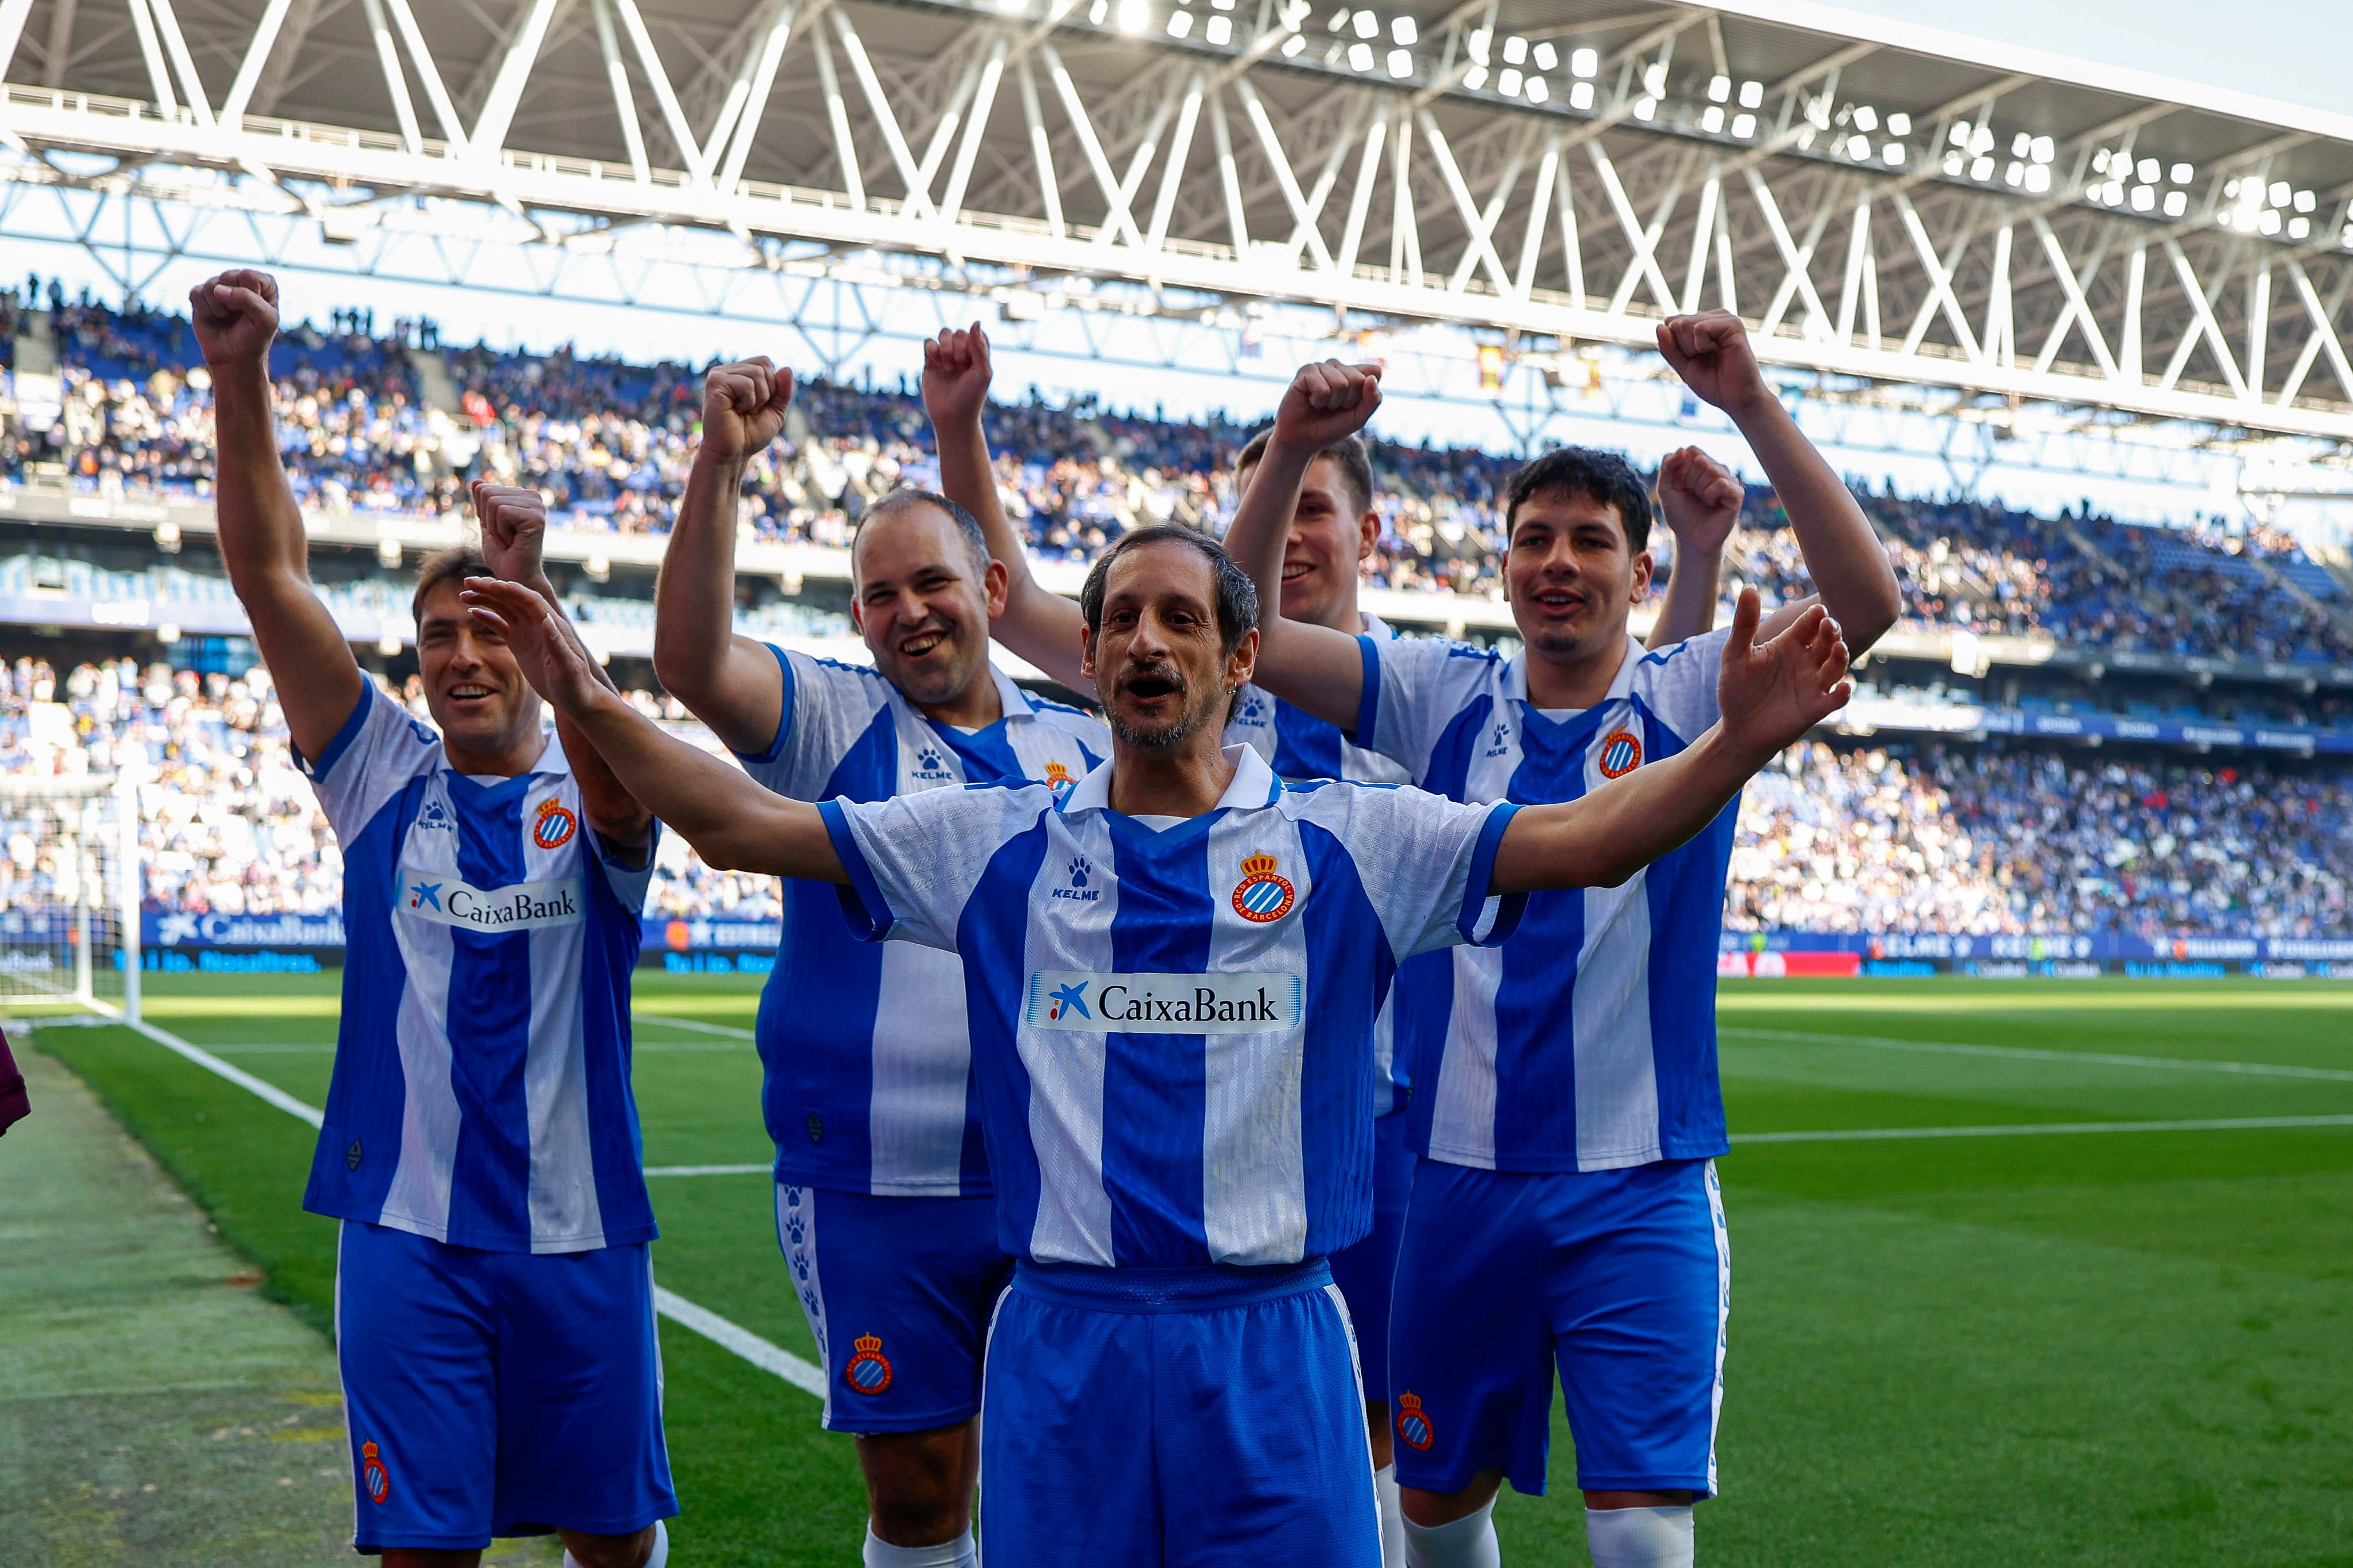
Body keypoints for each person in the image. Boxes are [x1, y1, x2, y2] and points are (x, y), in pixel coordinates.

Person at [462, 518, 1852, 1568]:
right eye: (1120, 617)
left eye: (1181, 618)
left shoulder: (1350, 841)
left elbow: (1589, 837)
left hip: (1274, 1341)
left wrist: (1735, 744)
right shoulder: (997, 841)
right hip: (1064, 1342)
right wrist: (585, 698)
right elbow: (740, 825)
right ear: (1089, 656)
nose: (1144, 641)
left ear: (1240, 659)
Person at [924, 321, 1739, 1567]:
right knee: (1351, 1464)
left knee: (1372, 1456)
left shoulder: (1418, 694)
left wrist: (1698, 565)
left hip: (1395, 1130)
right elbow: (1026, 612)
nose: (1291, 532)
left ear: (1370, 532)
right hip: (1227, 1144)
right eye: (1269, 505)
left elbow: (1634, 726)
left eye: (1313, 505)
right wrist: (961, 433)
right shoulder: (1190, 685)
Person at [1222, 322, 1902, 1568]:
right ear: (1503, 569)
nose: (1558, 561)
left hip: (1638, 1179)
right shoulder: (1443, 694)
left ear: (1638, 573)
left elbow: (1867, 606)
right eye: (1534, 537)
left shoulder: (1690, 690)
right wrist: (1291, 447)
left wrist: (1752, 401)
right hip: (1457, 1179)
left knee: (1639, 1536)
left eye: (1590, 540)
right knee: (1434, 1516)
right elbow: (1245, 622)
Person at [192, 267, 674, 1568]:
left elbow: (624, 788)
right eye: (437, 636)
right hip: (407, 1234)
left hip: (580, 1227)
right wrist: (240, 375)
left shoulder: (600, 780)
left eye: (490, 632)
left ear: (539, 647)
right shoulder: (383, 778)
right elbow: (269, 576)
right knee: (423, 1549)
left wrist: (531, 590)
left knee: (612, 1541)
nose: (460, 655)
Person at [649, 357, 1106, 1568]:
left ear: (992, 588)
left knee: (1057, 1470)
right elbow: (692, 662)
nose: (909, 611)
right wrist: (721, 463)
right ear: (858, 617)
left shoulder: (1087, 744)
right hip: (869, 1178)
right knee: (916, 1492)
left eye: (933, 582)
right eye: (880, 594)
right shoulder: (836, 720)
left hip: (1055, 1178)